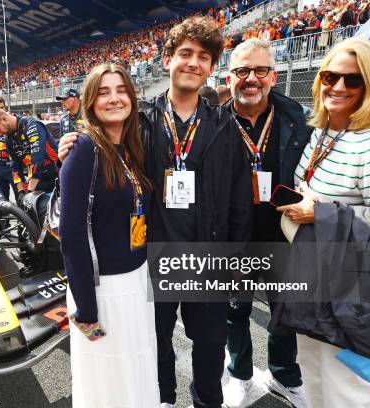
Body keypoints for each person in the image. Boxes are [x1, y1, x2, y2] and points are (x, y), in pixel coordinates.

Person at [59, 16, 253, 408]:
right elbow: (104, 153)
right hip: (153, 258)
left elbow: (239, 200)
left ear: (212, 67)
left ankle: (207, 401)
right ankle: (163, 399)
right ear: (167, 59)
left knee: (211, 344)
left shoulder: (225, 126)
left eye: (203, 57)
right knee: (156, 340)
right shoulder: (141, 121)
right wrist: (72, 144)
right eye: (185, 53)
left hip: (208, 259)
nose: (193, 63)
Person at [278, 37, 370, 408]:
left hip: (348, 288)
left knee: (344, 388)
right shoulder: (323, 132)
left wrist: (322, 214)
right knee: (313, 374)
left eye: (353, 80)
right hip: (313, 274)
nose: (339, 86)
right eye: (330, 76)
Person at [60, 62, 159, 408]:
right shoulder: (84, 149)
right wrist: (86, 309)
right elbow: (71, 235)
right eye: (104, 92)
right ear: (90, 101)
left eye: (121, 90)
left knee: (135, 364)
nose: (114, 99)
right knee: (108, 378)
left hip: (135, 281)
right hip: (103, 291)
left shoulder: (130, 147)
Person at [222, 38, 310, 408]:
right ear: (230, 79)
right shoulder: (212, 123)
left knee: (285, 314)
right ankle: (239, 376)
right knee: (235, 312)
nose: (251, 79)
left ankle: (284, 377)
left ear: (274, 75)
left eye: (260, 70)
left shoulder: (298, 119)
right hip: (234, 240)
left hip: (283, 236)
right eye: (242, 71)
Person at [0, 106, 59, 198]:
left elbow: (37, 158)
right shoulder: (9, 139)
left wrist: (29, 192)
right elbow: (15, 166)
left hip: (57, 179)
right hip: (38, 184)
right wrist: (21, 192)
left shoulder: (31, 125)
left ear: (4, 119)